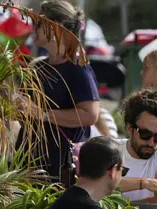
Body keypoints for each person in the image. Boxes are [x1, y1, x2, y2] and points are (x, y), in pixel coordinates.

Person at [18, 0, 100, 180]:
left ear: (56, 27)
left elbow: (90, 115)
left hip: (61, 167)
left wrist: (44, 114)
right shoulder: (37, 67)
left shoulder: (77, 67)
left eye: (39, 22)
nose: (33, 27)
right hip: (31, 162)